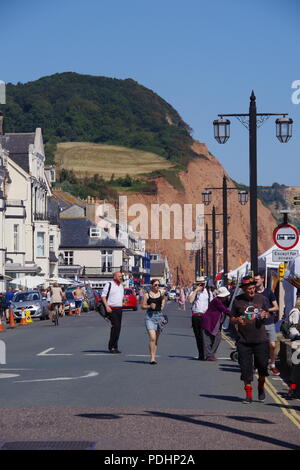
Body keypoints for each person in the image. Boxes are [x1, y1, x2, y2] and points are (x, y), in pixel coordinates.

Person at [231, 275, 270, 404]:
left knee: (263, 367)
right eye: (249, 289)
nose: (252, 291)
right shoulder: (237, 300)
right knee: (245, 368)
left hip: (261, 339)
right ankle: (248, 395)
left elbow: (267, 312)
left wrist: (265, 314)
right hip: (244, 341)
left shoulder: (262, 298)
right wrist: (237, 320)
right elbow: (232, 318)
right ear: (244, 289)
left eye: (253, 288)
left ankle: (261, 387)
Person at [254, 272, 280, 375]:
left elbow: (276, 307)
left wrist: (267, 310)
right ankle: (257, 365)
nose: (255, 282)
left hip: (269, 322)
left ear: (262, 280)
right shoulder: (253, 293)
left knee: (272, 345)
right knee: (257, 345)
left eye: (257, 280)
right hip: (257, 323)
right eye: (254, 280)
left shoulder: (269, 292)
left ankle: (272, 365)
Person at [201, 286, 232, 361]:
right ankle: (209, 355)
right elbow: (225, 310)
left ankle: (210, 354)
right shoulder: (217, 301)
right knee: (207, 339)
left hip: (214, 323)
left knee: (217, 338)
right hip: (209, 322)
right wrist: (233, 315)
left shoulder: (220, 301)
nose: (226, 297)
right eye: (225, 296)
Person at [142, 279, 166, 364]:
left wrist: (162, 305)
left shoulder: (161, 293)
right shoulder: (147, 295)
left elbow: (163, 299)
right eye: (155, 285)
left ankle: (154, 357)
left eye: (158, 285)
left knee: (156, 339)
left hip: (159, 316)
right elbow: (142, 306)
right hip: (150, 317)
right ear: (152, 285)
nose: (157, 286)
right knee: (152, 337)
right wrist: (149, 306)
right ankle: (151, 358)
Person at [188, 276, 212, 360]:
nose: (201, 285)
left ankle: (208, 354)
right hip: (196, 316)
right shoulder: (193, 292)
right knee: (198, 336)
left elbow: (211, 304)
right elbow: (190, 301)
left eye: (202, 284)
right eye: (199, 283)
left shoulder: (208, 292)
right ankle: (201, 354)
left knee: (205, 336)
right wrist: (195, 290)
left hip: (205, 316)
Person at [101, 272, 124, 354]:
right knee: (116, 326)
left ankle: (115, 346)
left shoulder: (121, 286)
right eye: (119, 276)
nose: (121, 277)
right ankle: (112, 347)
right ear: (114, 277)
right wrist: (107, 306)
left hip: (119, 309)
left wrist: (122, 302)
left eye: (121, 276)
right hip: (111, 309)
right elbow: (103, 296)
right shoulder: (109, 284)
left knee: (118, 328)